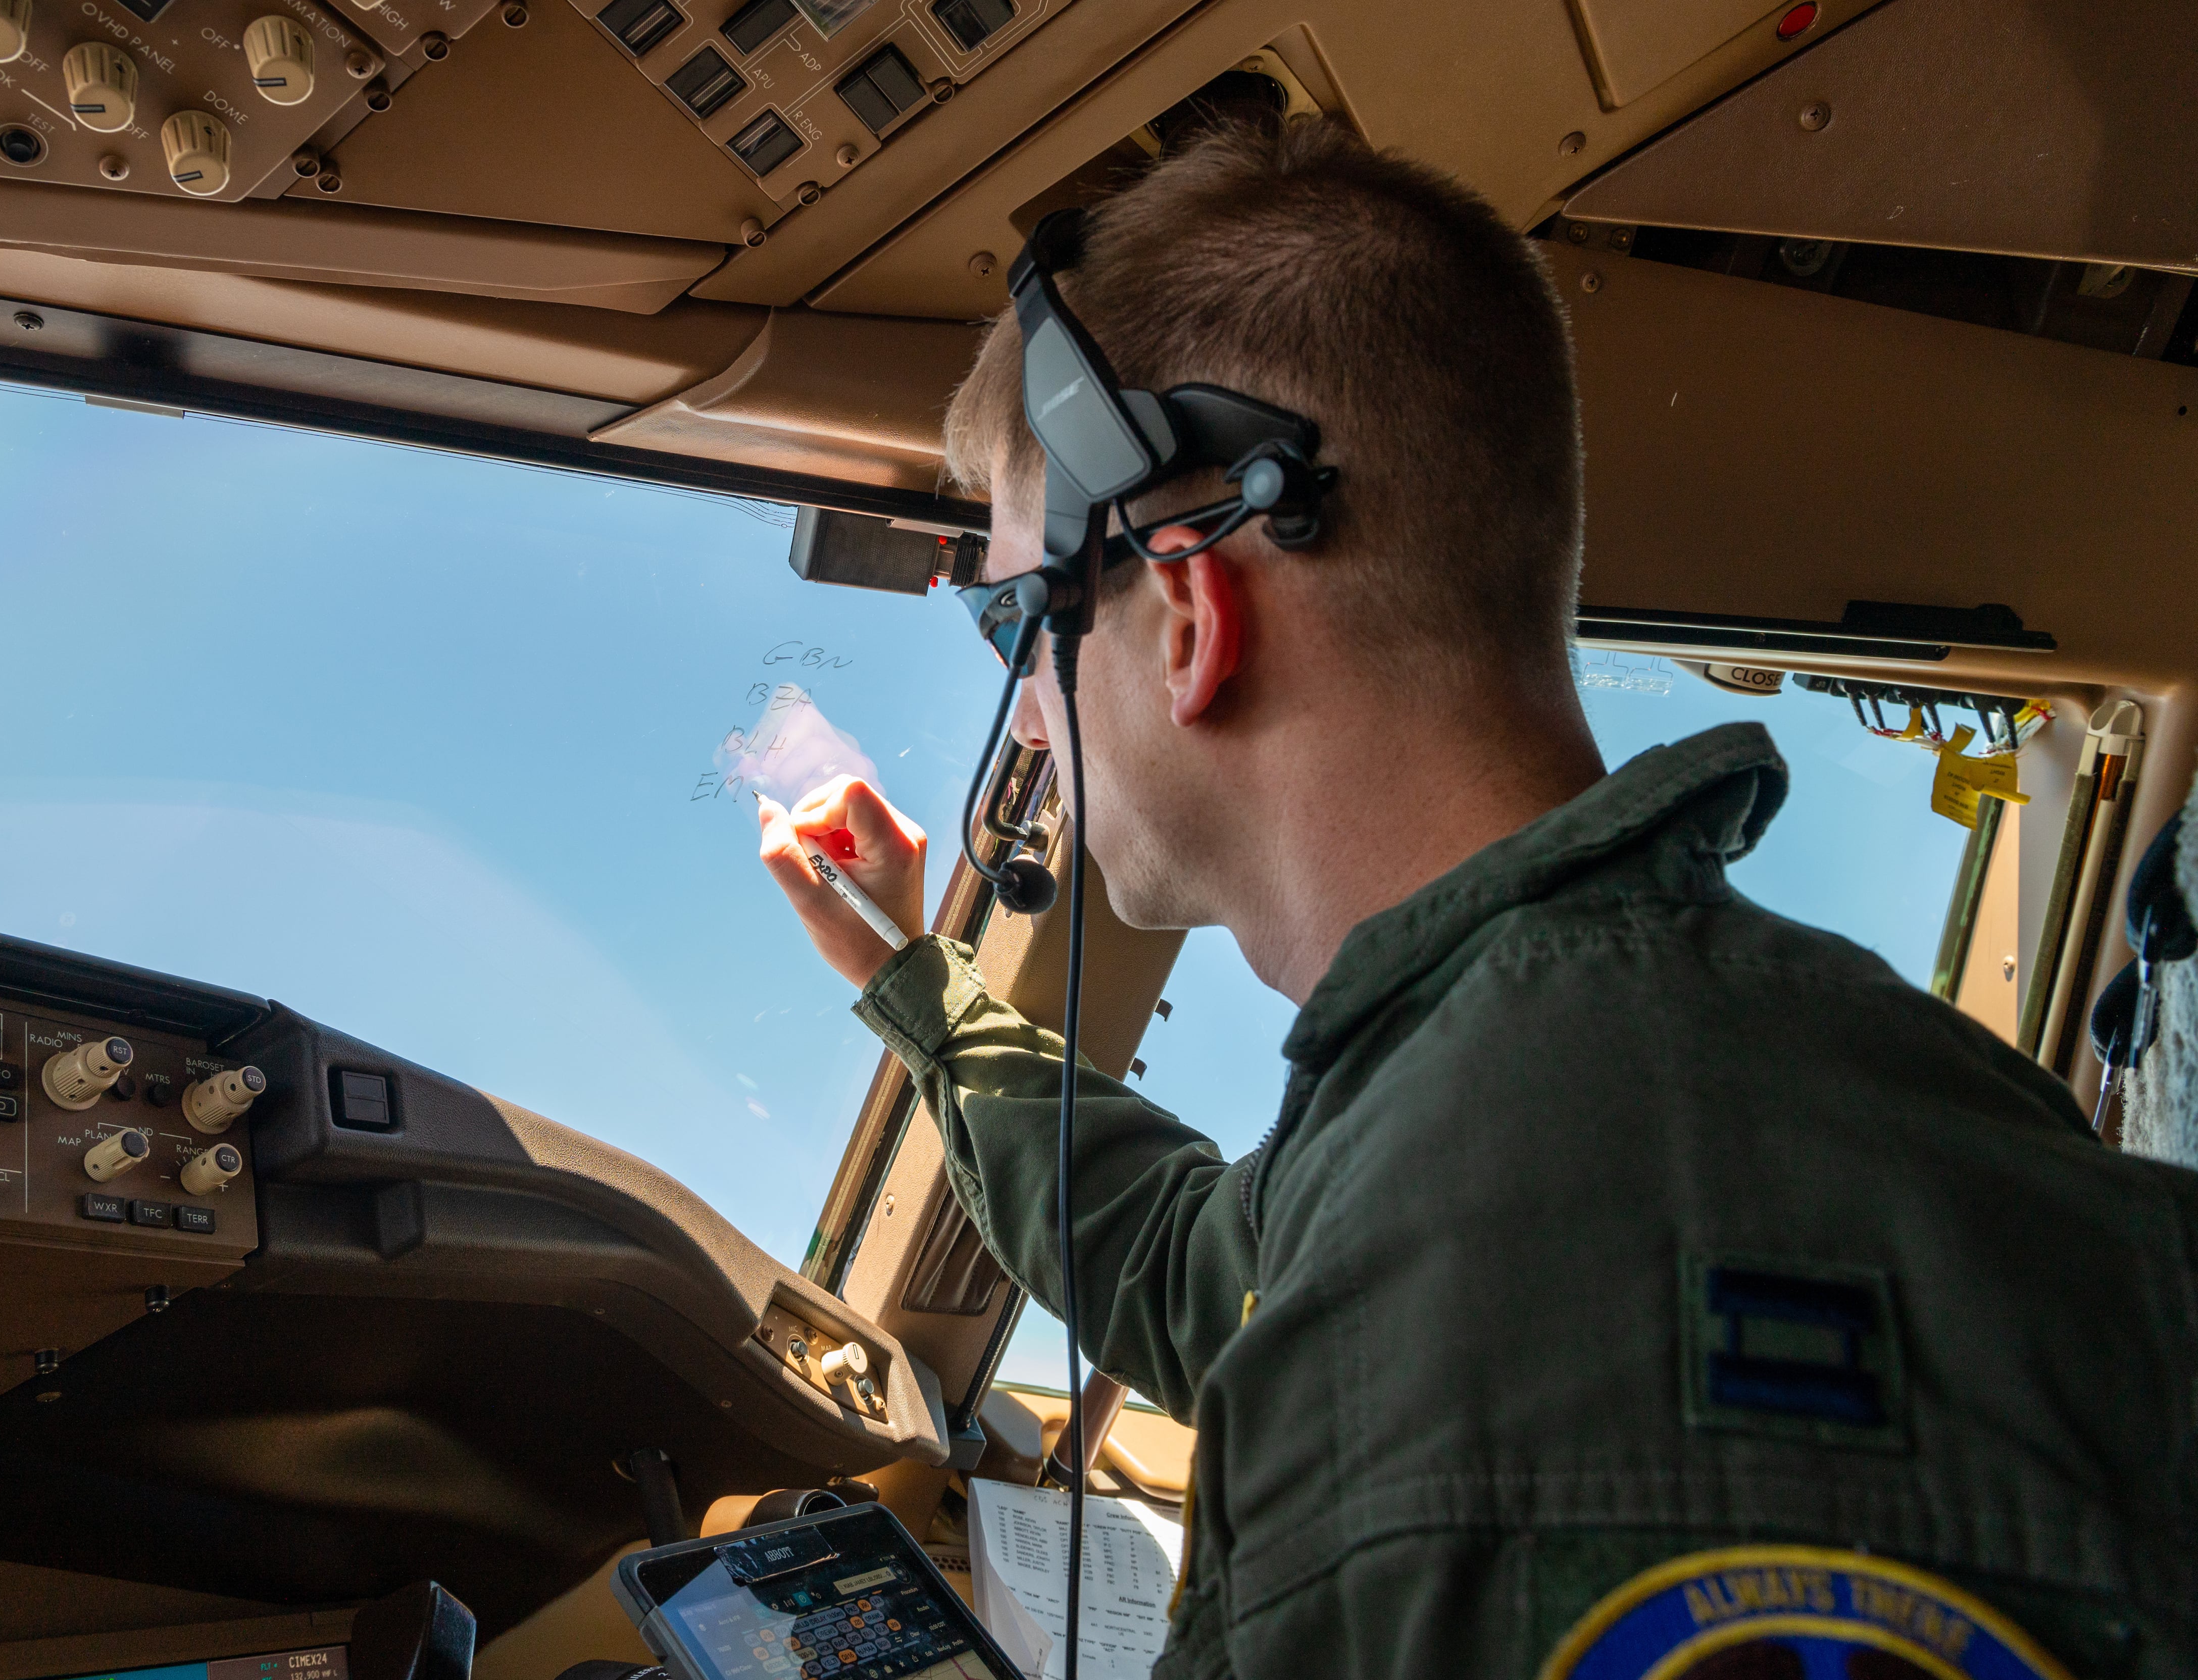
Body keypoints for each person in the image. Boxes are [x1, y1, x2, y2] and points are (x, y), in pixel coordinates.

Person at [754, 117, 2197, 1678]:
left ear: (1185, 614)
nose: (1028, 715)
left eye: (1017, 628)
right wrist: (916, 973)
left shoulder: (1462, 1291)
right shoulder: (1726, 1097)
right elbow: (1195, 1263)